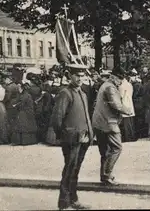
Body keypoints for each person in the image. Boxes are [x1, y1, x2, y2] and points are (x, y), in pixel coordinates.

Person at [51, 63, 94, 211]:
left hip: (83, 138)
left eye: (82, 76)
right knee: (69, 169)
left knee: (75, 170)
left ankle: (73, 199)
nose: (80, 78)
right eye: (77, 75)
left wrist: (89, 132)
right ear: (70, 76)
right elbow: (57, 119)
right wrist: (65, 135)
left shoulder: (82, 93)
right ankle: (63, 203)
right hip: (71, 139)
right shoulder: (65, 93)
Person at [92, 67, 134, 185]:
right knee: (117, 148)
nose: (121, 82)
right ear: (113, 77)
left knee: (105, 151)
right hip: (109, 123)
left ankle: (104, 176)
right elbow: (117, 105)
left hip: (99, 123)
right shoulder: (110, 87)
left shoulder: (104, 85)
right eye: (120, 79)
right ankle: (107, 174)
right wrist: (128, 111)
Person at [119, 72, 136, 143]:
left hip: (124, 104)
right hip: (129, 104)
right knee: (130, 123)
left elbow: (120, 96)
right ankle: (131, 137)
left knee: (126, 124)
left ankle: (127, 138)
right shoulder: (129, 84)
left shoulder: (122, 86)